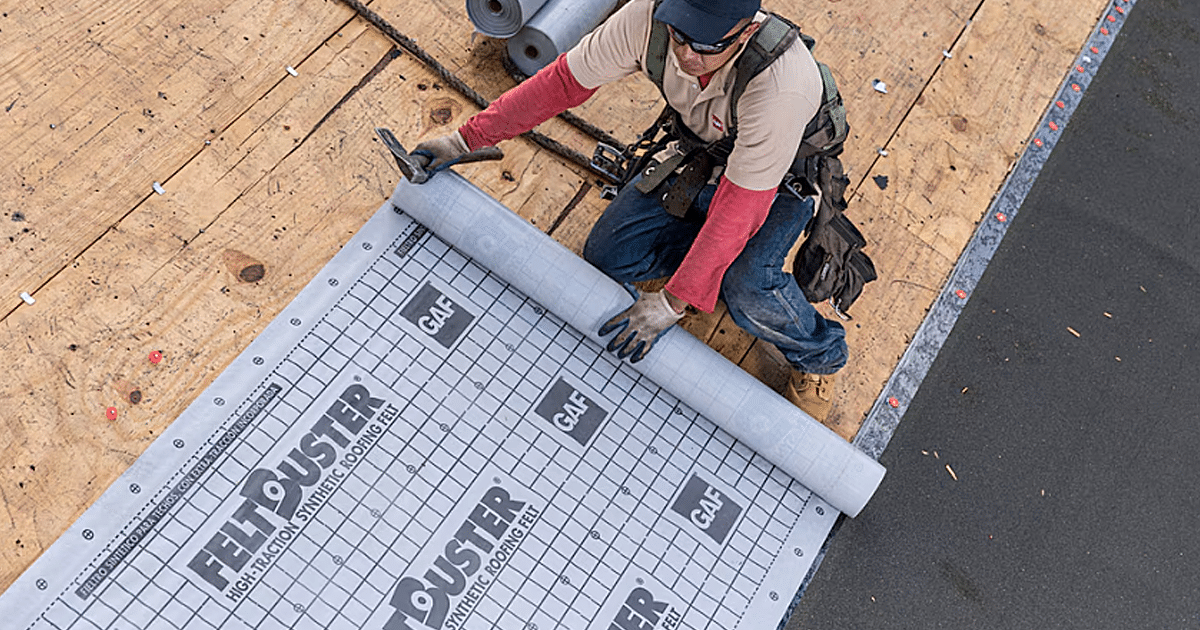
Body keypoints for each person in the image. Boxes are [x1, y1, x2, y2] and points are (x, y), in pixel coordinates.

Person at [414, 0, 848, 421]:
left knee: (747, 287)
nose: (685, 54)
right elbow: (563, 83)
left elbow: (740, 208)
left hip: (777, 185)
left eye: (706, 46)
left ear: (746, 31)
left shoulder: (781, 85)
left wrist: (676, 302)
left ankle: (819, 355)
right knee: (610, 254)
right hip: (704, 156)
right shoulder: (650, 16)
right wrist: (466, 139)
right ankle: (707, 264)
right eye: (679, 35)